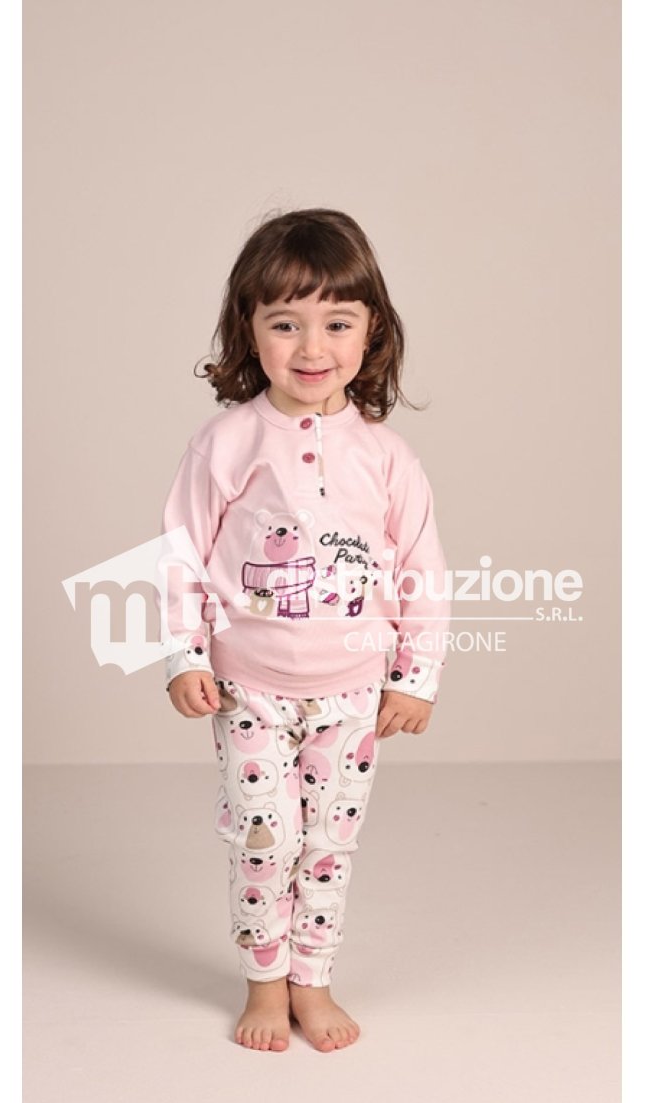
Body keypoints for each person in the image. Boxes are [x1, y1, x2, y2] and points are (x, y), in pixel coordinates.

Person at [158, 208, 451, 1053]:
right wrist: (183, 655)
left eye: (337, 322)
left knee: (328, 842)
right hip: (248, 688)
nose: (311, 346)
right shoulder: (226, 442)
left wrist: (416, 676)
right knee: (265, 838)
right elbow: (181, 553)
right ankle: (263, 983)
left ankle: (311, 980)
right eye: (285, 323)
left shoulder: (388, 457)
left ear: (373, 330)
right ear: (249, 330)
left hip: (354, 691)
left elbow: (423, 570)